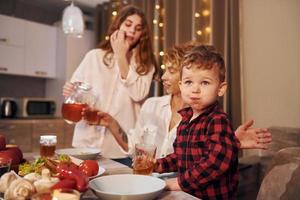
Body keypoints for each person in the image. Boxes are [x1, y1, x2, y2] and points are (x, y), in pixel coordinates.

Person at [95, 42, 272, 159]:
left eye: (171, 71)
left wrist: (232, 141)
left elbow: (206, 160)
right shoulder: (152, 105)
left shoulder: (207, 118)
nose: (163, 77)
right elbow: (135, 150)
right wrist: (111, 123)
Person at [62, 5, 156, 163]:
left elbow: (138, 93)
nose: (132, 30)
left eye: (138, 28)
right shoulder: (94, 57)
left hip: (120, 150)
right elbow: (72, 111)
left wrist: (121, 55)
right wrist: (71, 94)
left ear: (142, 35)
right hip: (85, 146)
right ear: (118, 25)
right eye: (128, 24)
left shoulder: (145, 65)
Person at [154, 44, 240, 199]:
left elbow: (216, 163)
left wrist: (181, 182)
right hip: (188, 195)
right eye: (188, 82)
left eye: (204, 83)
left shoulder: (217, 120)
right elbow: (181, 156)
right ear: (180, 86)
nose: (195, 89)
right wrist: (159, 165)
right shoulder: (185, 121)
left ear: (220, 89)